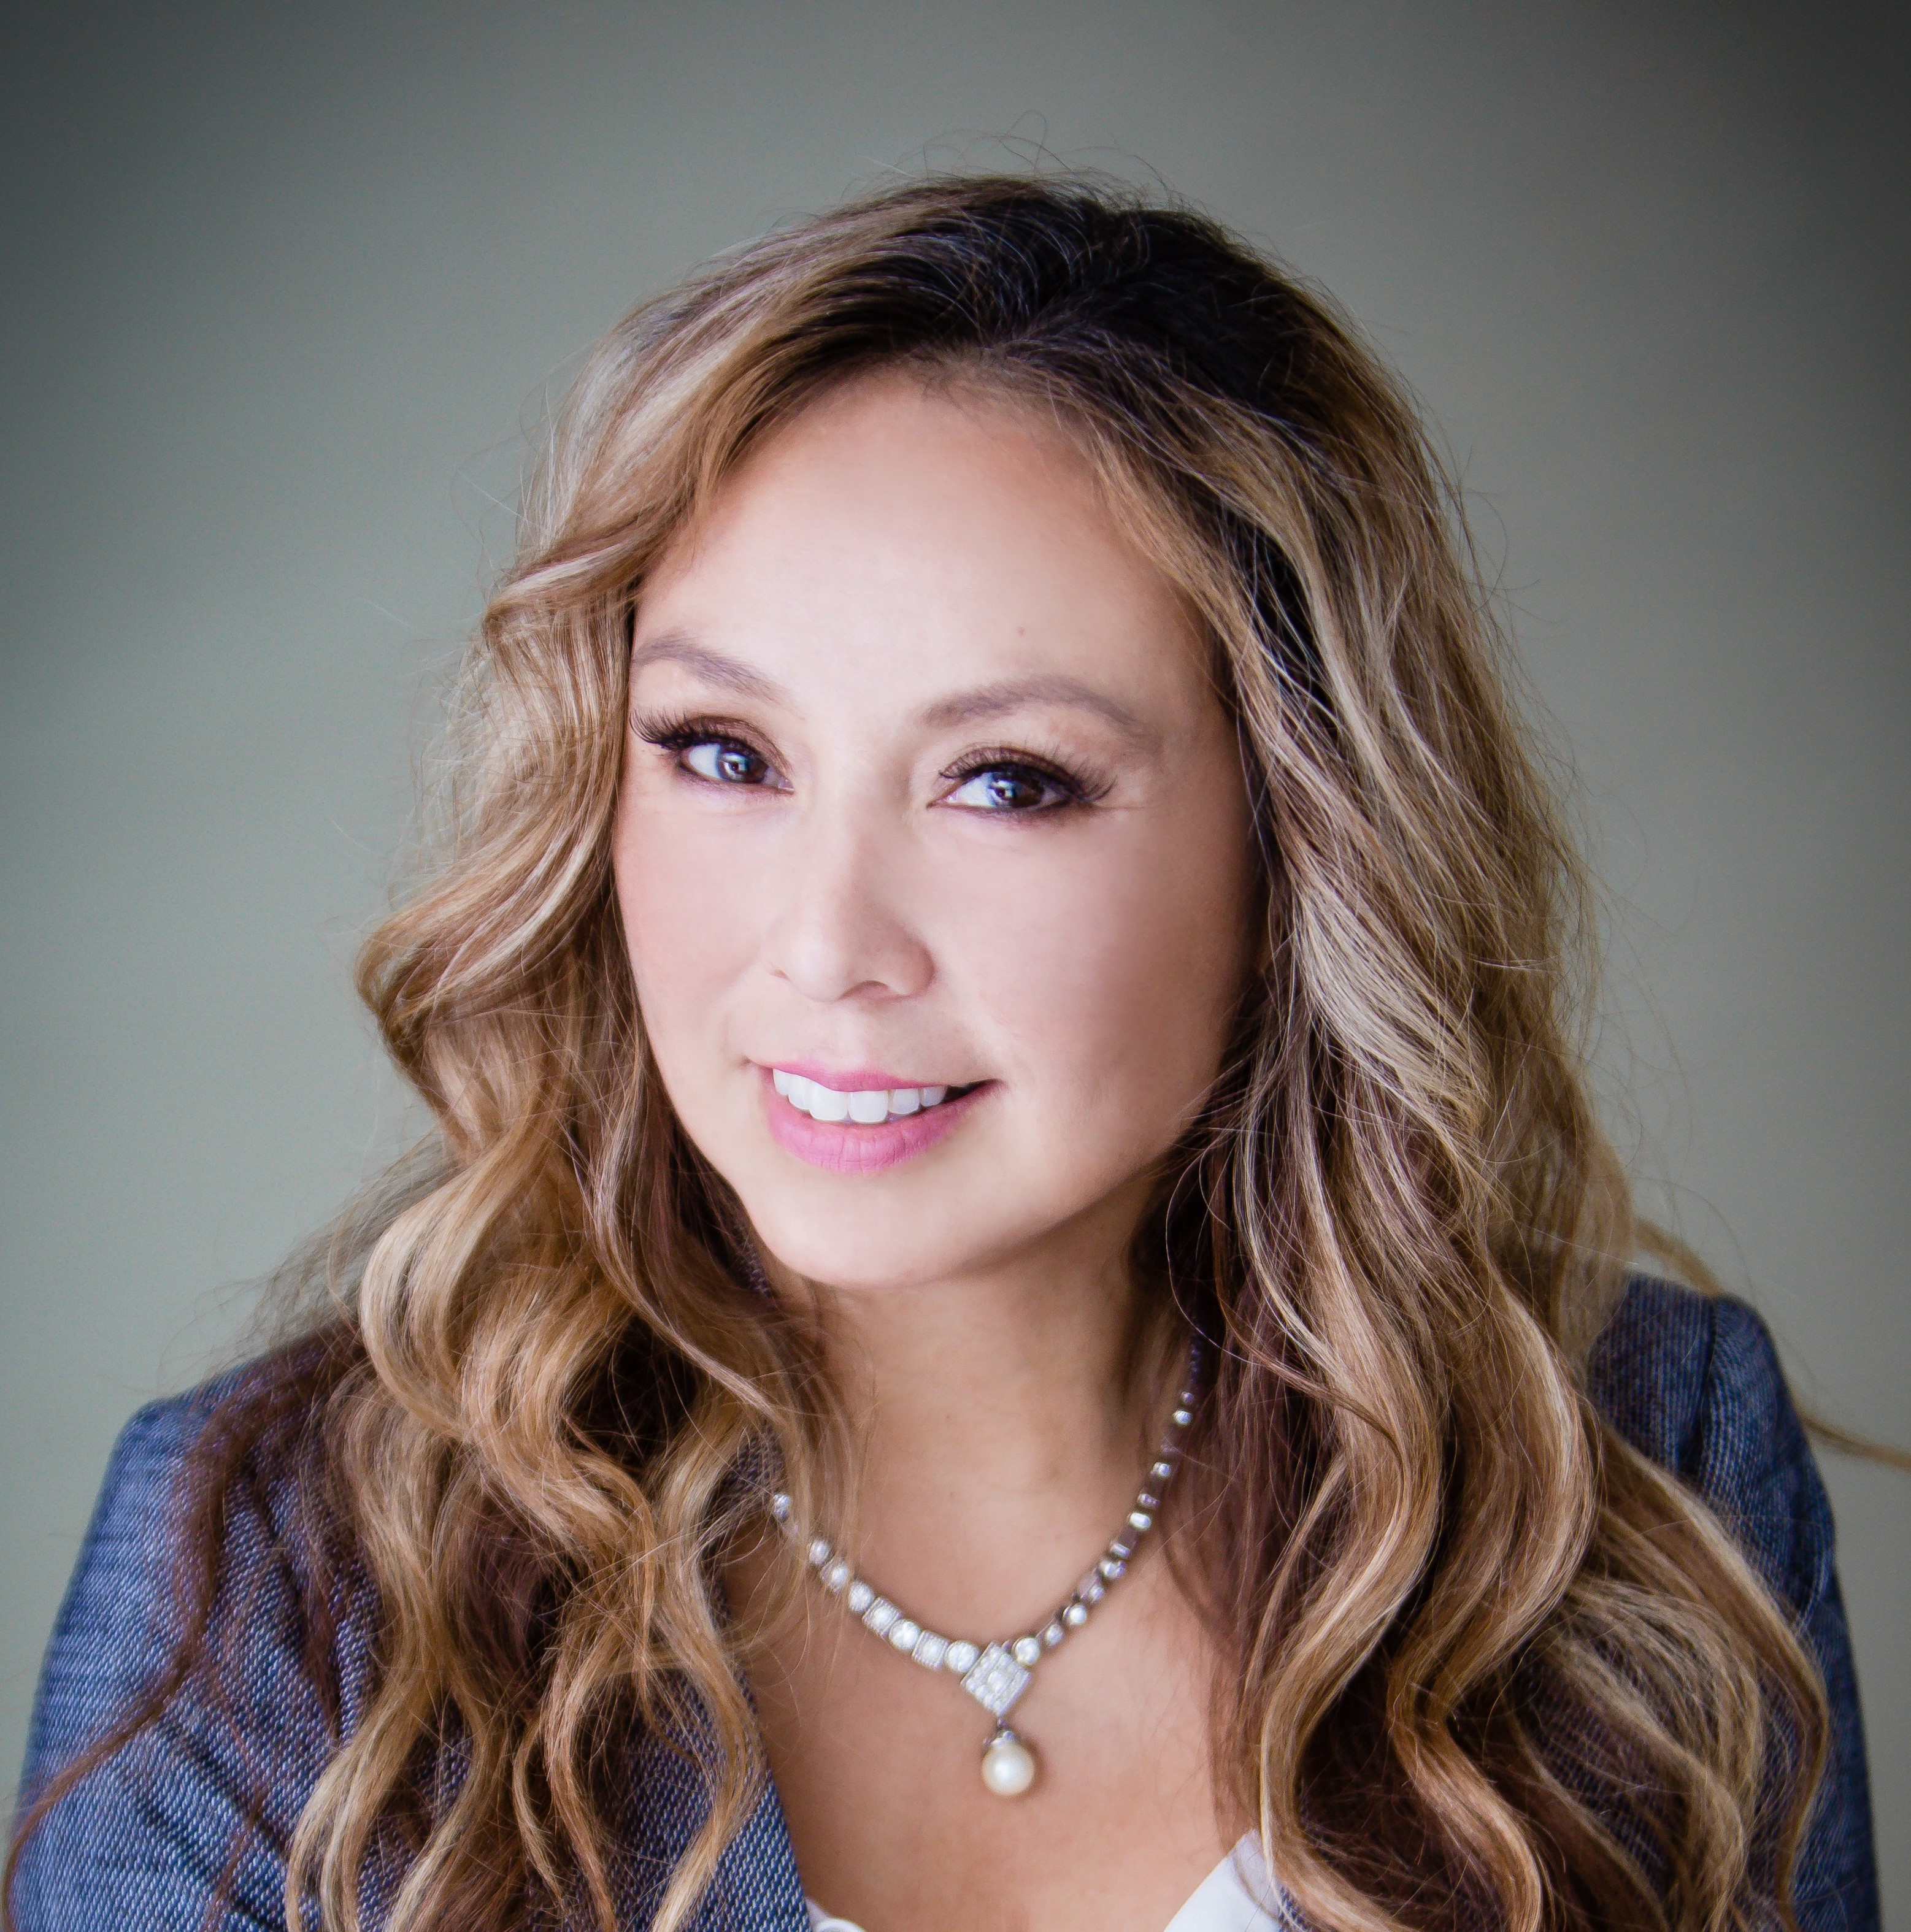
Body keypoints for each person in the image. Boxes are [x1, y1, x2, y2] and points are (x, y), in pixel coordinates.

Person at [6, 174, 1878, 1932]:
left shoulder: (1636, 1470)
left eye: (1007, 782)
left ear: (1299, 846)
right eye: (723, 753)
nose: (825, 946)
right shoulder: (275, 1563)